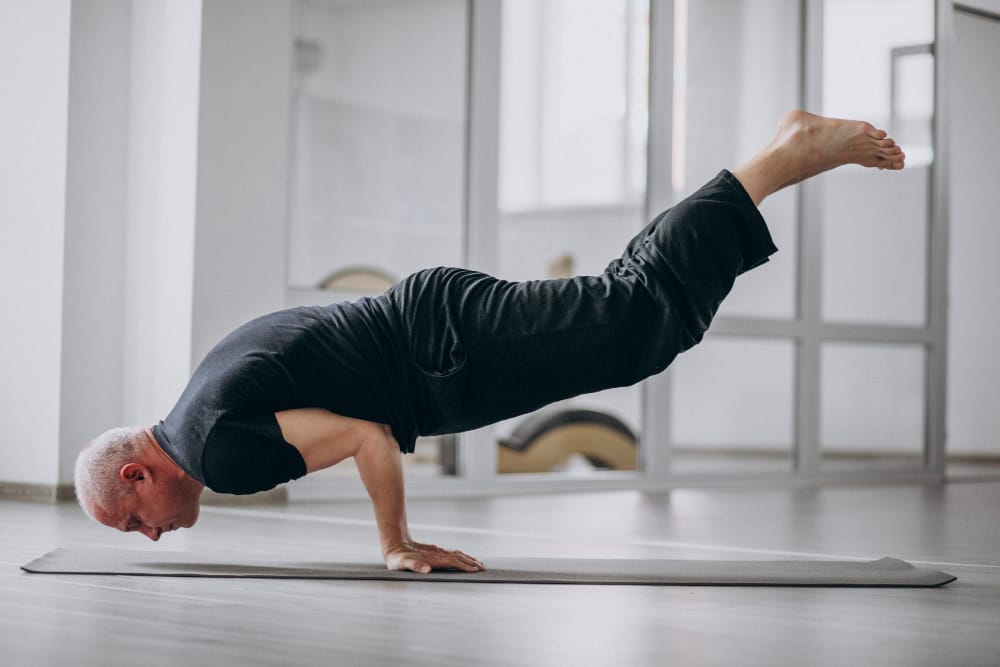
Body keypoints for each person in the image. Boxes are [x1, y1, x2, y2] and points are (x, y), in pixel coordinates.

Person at [74, 111, 905, 574]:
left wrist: (395, 545)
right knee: (633, 320)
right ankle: (766, 169)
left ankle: (780, 157)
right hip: (434, 328)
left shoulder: (216, 452)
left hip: (442, 350)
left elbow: (364, 434)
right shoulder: (198, 399)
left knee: (635, 316)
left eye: (132, 520)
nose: (150, 533)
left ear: (139, 474)